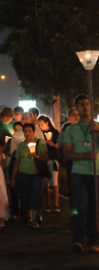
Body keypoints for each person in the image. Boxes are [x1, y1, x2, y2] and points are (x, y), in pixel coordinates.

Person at [64, 94, 99, 253]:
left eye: (87, 104)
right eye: (82, 104)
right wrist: (85, 155)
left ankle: (93, 241)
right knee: (79, 207)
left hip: (95, 173)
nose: (85, 107)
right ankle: (78, 239)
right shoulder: (71, 130)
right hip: (78, 173)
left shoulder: (96, 127)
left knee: (94, 208)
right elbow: (68, 154)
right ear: (77, 109)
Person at [11, 123, 48, 228]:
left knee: (35, 194)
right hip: (23, 174)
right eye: (25, 131)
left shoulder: (39, 143)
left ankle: (36, 217)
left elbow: (45, 157)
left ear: (34, 132)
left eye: (29, 131)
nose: (27, 133)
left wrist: (37, 156)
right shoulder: (21, 146)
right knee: (25, 195)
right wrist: (13, 178)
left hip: (36, 174)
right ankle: (29, 217)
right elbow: (17, 163)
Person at [38, 115, 60, 213]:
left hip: (52, 159)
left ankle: (56, 204)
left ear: (47, 122)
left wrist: (52, 144)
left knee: (54, 182)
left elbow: (59, 146)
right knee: (45, 183)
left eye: (41, 124)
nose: (40, 126)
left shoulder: (55, 132)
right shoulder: (39, 134)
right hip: (43, 161)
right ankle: (47, 204)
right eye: (39, 125)